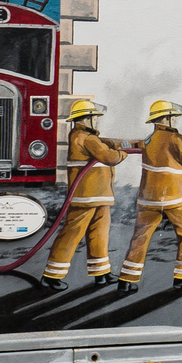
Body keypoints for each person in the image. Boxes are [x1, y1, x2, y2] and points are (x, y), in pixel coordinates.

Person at [41, 99, 130, 290]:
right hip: (86, 197)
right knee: (71, 235)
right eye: (95, 118)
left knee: (99, 234)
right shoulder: (86, 138)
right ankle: (51, 275)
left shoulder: (85, 137)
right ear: (87, 119)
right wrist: (123, 152)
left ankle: (101, 273)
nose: (97, 121)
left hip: (98, 196)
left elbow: (106, 145)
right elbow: (110, 157)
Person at [117, 99, 182, 292]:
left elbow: (133, 145)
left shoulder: (149, 140)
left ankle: (126, 280)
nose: (176, 121)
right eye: (173, 117)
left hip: (147, 199)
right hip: (173, 199)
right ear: (167, 119)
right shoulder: (179, 140)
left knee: (140, 237)